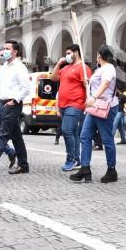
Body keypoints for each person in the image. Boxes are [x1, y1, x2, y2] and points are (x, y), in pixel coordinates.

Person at [70, 45, 120, 183]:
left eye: (97, 55)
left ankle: (111, 169)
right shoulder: (99, 69)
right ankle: (85, 168)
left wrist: (94, 97)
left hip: (105, 107)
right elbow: (99, 84)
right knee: (85, 136)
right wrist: (89, 84)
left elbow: (105, 84)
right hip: (94, 108)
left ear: (99, 55)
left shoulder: (109, 68)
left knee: (106, 139)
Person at [0, 40, 30, 175]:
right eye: (3, 48)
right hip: (1, 103)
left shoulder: (20, 67)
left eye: (7, 48)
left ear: (15, 52)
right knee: (16, 136)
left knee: (2, 135)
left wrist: (15, 100)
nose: (3, 51)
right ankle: (23, 165)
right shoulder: (3, 66)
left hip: (12, 104)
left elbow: (26, 88)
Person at [52, 44, 91, 172]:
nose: (67, 55)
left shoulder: (83, 68)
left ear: (76, 53)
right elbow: (53, 78)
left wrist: (87, 86)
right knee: (73, 132)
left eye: (69, 53)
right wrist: (58, 64)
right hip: (63, 104)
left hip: (75, 104)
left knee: (66, 130)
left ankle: (71, 158)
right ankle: (77, 159)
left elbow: (88, 86)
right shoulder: (66, 68)